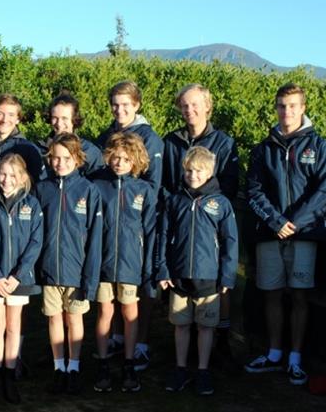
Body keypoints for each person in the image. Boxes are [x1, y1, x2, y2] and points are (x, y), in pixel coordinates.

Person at [244, 83, 326, 386]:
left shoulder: (321, 147)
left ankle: (295, 360)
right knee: (271, 293)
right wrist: (275, 222)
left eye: (293, 106)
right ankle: (273, 354)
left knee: (299, 295)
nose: (287, 112)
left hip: (305, 234)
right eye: (282, 106)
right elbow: (254, 191)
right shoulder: (263, 149)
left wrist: (296, 222)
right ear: (276, 108)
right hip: (271, 233)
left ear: (303, 108)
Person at [162, 84, 240, 367]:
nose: (189, 110)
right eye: (184, 105)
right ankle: (185, 353)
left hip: (210, 224)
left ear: (208, 106)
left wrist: (207, 206)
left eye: (195, 104)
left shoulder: (224, 142)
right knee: (182, 294)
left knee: (217, 287)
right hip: (180, 217)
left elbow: (229, 185)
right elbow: (167, 182)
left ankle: (220, 342)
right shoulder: (171, 141)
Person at [157, 147, 238, 395]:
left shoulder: (221, 204)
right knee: (181, 325)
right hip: (179, 276)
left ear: (209, 172)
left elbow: (230, 241)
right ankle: (180, 368)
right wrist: (163, 269)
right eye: (189, 170)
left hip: (209, 278)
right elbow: (163, 237)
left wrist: (227, 275)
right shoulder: (175, 201)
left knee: (205, 326)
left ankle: (203, 370)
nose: (192, 175)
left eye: (198, 170)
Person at [96, 81, 164, 370]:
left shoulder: (150, 138)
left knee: (135, 296)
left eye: (126, 104)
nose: (120, 109)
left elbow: (154, 184)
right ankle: (112, 341)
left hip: (134, 226)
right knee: (108, 301)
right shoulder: (107, 135)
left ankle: (139, 345)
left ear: (137, 105)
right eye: (115, 104)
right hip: (110, 228)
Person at [35, 133, 102, 395]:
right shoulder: (42, 188)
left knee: (74, 319)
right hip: (50, 269)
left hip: (78, 270)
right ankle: (58, 367)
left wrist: (90, 277)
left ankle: (74, 367)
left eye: (66, 158)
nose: (60, 163)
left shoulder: (88, 190)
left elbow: (95, 238)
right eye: (55, 158)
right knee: (54, 319)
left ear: (77, 158)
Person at [91, 132, 156, 393]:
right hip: (103, 262)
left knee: (130, 313)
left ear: (136, 161)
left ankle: (129, 364)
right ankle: (104, 363)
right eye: (115, 157)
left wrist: (149, 265)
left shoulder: (144, 190)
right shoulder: (96, 185)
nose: (119, 162)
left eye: (126, 158)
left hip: (131, 263)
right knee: (105, 312)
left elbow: (151, 230)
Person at [0, 153, 43, 403]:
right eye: (3, 174)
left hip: (19, 279)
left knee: (14, 327)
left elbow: (35, 243)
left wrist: (17, 275)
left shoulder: (32, 204)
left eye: (13, 175)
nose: (7, 179)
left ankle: (10, 373)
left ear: (23, 177)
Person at [0, 93, 46, 184]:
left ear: (18, 119)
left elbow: (39, 186)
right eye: (0, 113)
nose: (5, 120)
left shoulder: (28, 150)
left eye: (11, 115)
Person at [37, 92, 104, 177]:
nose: (59, 123)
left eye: (64, 118)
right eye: (55, 118)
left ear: (74, 120)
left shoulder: (89, 152)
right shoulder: (40, 150)